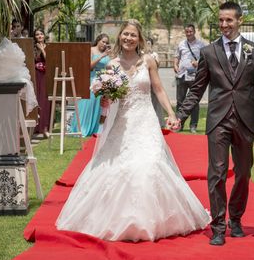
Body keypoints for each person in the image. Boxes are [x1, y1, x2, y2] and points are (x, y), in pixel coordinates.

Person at [56, 20, 210, 241]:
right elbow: (107, 103)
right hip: (123, 123)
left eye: (133, 35)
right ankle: (117, 219)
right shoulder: (111, 65)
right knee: (117, 168)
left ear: (139, 39)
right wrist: (106, 97)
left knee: (151, 164)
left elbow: (158, 89)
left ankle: (153, 220)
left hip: (146, 121)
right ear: (120, 37)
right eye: (125, 34)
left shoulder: (148, 61)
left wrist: (172, 113)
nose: (128, 38)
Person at [176, 2, 254, 246]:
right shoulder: (209, 52)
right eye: (221, 20)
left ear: (240, 20)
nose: (224, 25)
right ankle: (218, 226)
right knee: (216, 173)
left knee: (243, 173)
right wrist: (181, 116)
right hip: (218, 120)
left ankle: (235, 219)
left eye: (229, 20)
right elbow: (196, 90)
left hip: (245, 121)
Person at [71, 34, 112, 136]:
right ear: (98, 40)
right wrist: (102, 56)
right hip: (92, 80)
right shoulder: (91, 50)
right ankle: (82, 127)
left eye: (107, 43)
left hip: (103, 81)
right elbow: (89, 66)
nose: (105, 44)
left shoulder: (107, 53)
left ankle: (95, 128)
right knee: (88, 104)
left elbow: (109, 67)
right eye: (103, 41)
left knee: (99, 105)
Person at [174, 24, 206, 133]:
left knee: (194, 102)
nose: (189, 34)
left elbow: (205, 59)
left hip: (194, 76)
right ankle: (179, 124)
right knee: (180, 101)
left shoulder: (201, 45)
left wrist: (198, 63)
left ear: (194, 32)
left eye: (190, 32)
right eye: (187, 32)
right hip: (181, 75)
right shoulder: (181, 44)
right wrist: (175, 65)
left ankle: (193, 125)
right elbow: (177, 56)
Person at [33, 28, 50, 138]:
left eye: (41, 34)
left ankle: (45, 127)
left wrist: (43, 49)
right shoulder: (33, 48)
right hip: (36, 75)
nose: (39, 36)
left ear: (44, 36)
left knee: (44, 100)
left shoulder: (48, 46)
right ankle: (35, 127)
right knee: (36, 98)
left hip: (46, 76)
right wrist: (38, 49)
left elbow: (49, 59)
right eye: (37, 34)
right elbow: (33, 59)